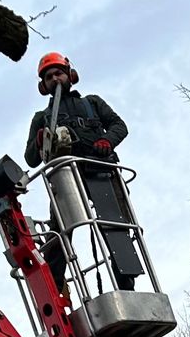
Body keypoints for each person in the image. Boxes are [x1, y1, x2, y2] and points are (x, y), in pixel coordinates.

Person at [24, 52, 143, 289]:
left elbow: (120, 126)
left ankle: (126, 282)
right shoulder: (42, 118)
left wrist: (107, 141)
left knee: (116, 223)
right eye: (49, 77)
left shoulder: (92, 103)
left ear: (70, 75)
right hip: (65, 174)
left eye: (58, 73)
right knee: (60, 228)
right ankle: (56, 284)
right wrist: (39, 143)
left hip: (102, 170)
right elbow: (30, 159)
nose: (55, 79)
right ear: (43, 86)